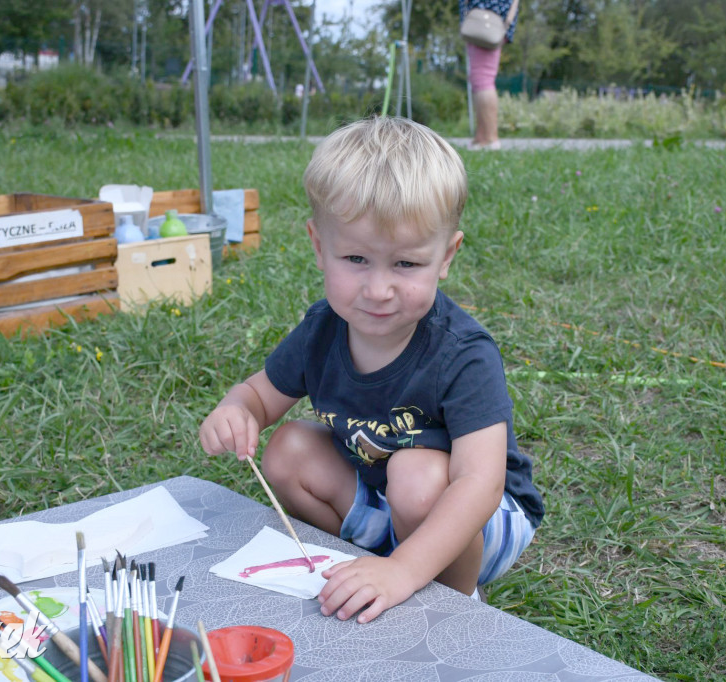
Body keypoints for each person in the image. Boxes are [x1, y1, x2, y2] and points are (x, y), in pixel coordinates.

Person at [199, 116, 544, 624]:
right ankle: (362, 567)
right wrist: (235, 410)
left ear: (445, 257)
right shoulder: (322, 330)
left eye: (405, 265)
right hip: (386, 500)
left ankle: (455, 603)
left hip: (482, 522)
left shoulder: (463, 352)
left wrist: (405, 569)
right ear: (319, 246)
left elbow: (480, 484)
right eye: (356, 258)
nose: (378, 289)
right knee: (289, 448)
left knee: (416, 473)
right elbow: (258, 396)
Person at [460, 0, 519, 150]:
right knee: (479, 79)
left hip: (486, 17)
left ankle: (491, 139)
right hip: (491, 16)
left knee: (483, 79)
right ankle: (481, 137)